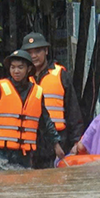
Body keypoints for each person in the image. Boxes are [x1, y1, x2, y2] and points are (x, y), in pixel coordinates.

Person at [0, 49, 65, 169]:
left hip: (23, 154)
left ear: (29, 69)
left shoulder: (37, 93)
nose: (16, 71)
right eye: (13, 67)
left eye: (20, 67)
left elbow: (46, 123)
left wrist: (56, 145)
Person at [21, 32, 84, 169]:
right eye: (29, 52)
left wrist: (76, 141)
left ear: (46, 51)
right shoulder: (21, 78)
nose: (34, 56)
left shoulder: (60, 74)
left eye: (37, 51)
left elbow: (73, 110)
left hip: (59, 139)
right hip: (30, 139)